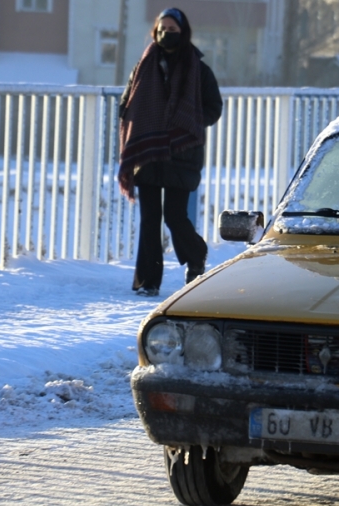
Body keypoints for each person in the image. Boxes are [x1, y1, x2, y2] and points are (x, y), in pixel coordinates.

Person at [118, 7, 223, 297]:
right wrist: (140, 123)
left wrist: (188, 123)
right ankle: (148, 281)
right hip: (148, 152)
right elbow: (126, 103)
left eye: (172, 30)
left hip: (182, 153)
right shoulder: (143, 67)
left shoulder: (198, 70)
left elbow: (214, 107)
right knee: (149, 220)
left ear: (183, 32)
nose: (166, 34)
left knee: (175, 217)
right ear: (155, 31)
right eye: (162, 29)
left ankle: (195, 256)